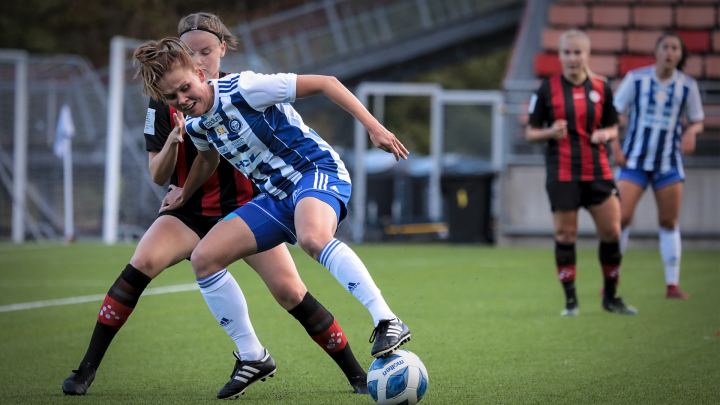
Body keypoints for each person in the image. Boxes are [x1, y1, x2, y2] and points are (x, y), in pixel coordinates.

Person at [62, 13, 369, 399]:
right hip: (190, 211)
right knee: (140, 266)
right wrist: (175, 144)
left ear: (221, 50)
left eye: (206, 51)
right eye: (191, 52)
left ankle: (357, 375)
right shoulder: (165, 103)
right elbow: (158, 175)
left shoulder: (246, 90)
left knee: (291, 292)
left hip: (250, 205)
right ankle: (86, 370)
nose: (199, 60)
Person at [134, 35, 411, 363]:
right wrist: (185, 191)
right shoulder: (196, 126)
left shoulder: (246, 88)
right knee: (204, 259)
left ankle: (387, 320)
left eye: (184, 88)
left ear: (198, 72)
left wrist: (373, 127)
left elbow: (326, 83)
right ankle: (252, 356)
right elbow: (207, 160)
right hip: (276, 196)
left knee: (313, 237)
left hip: (314, 171)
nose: (181, 98)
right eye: (171, 96)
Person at [526, 29, 638, 316]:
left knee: (612, 231)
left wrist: (606, 134)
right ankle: (571, 303)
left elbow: (614, 126)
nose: (572, 58)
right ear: (560, 55)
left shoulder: (602, 87)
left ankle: (611, 298)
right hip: (562, 171)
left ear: (587, 54)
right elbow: (530, 132)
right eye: (567, 52)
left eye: (578, 52)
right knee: (566, 235)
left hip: (598, 170)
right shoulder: (546, 89)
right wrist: (550, 131)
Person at [610, 33, 704, 300]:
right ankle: (611, 278)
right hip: (634, 161)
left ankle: (672, 285)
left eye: (675, 48)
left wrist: (691, 132)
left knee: (668, 221)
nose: (670, 52)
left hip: (668, 163)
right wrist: (615, 146)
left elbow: (697, 120)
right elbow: (612, 113)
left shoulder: (687, 86)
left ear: (680, 55)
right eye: (666, 47)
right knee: (621, 219)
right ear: (657, 51)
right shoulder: (636, 79)